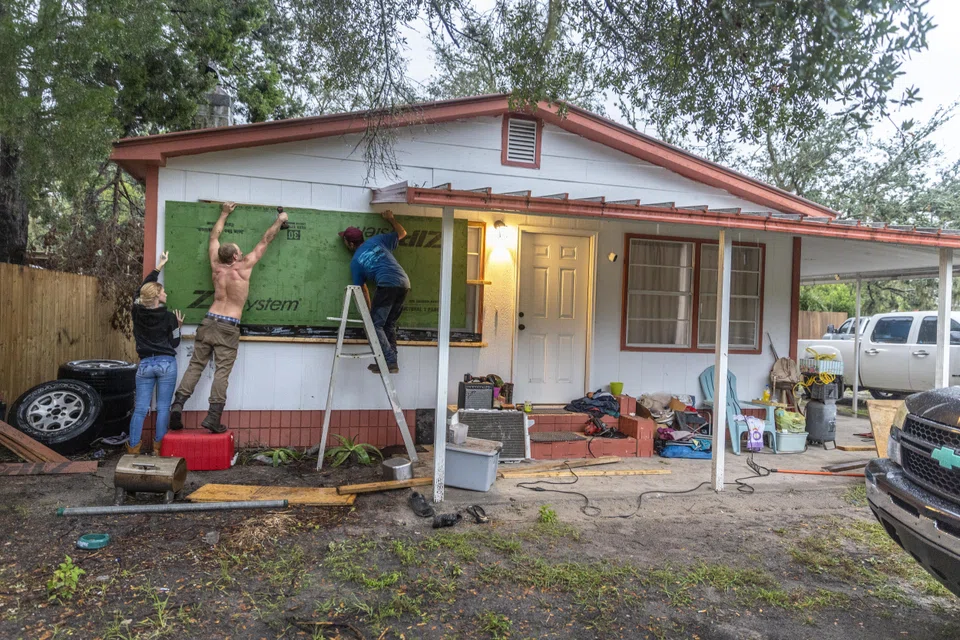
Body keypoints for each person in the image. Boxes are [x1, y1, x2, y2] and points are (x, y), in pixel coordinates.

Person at [169, 202, 288, 432]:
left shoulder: (216, 265)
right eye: (239, 251)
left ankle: (177, 405)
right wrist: (280, 220)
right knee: (222, 371)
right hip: (228, 326)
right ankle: (213, 418)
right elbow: (265, 240)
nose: (242, 252)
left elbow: (214, 238)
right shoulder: (243, 267)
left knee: (195, 366)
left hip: (209, 320)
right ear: (235, 256)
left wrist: (224, 213)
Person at [340, 209, 410, 374]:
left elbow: (362, 289)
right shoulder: (377, 241)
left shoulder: (356, 261)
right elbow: (402, 232)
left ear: (350, 244)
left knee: (375, 325)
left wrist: (369, 312)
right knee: (388, 324)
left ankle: (389, 360)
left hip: (387, 285)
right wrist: (391, 219)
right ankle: (391, 363)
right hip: (404, 283)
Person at [128, 251, 183, 455]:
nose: (166, 294)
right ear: (158, 296)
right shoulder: (168, 317)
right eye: (163, 292)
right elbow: (175, 342)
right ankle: (159, 449)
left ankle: (133, 448)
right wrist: (178, 326)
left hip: (145, 364)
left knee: (140, 409)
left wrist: (158, 268)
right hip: (166, 364)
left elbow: (138, 292)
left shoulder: (137, 312)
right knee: (162, 409)